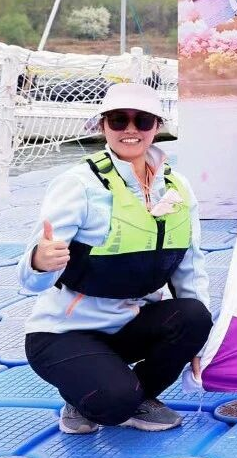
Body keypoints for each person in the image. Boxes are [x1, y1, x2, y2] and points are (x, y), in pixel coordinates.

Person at [17, 83, 212, 435]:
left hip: (128, 325)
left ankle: (138, 395)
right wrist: (40, 262)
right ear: (103, 125)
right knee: (113, 403)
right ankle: (86, 394)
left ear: (157, 126)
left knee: (195, 317)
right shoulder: (78, 184)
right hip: (64, 333)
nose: (131, 130)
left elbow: (190, 267)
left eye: (143, 120)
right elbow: (30, 280)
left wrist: (201, 344)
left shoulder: (178, 187)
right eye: (119, 120)